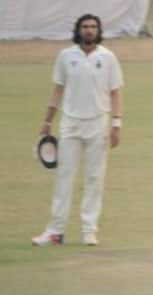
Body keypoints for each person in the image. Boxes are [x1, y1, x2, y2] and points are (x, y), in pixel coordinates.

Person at [31, 14, 124, 247]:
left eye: (93, 27)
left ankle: (89, 231)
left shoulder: (108, 57)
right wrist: (47, 121)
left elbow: (115, 92)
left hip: (98, 124)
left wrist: (116, 124)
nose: (89, 30)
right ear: (78, 30)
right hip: (70, 123)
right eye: (85, 27)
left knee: (95, 178)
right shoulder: (65, 56)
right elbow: (57, 90)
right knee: (64, 177)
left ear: (98, 31)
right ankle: (55, 232)